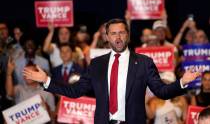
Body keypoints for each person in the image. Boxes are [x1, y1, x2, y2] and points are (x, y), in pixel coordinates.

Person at [23, 18, 201, 124]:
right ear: (107, 37)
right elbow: (75, 91)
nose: (118, 37)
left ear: (128, 35)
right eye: (113, 33)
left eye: (122, 33)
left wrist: (182, 81)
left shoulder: (144, 62)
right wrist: (46, 80)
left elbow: (162, 91)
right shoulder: (96, 64)